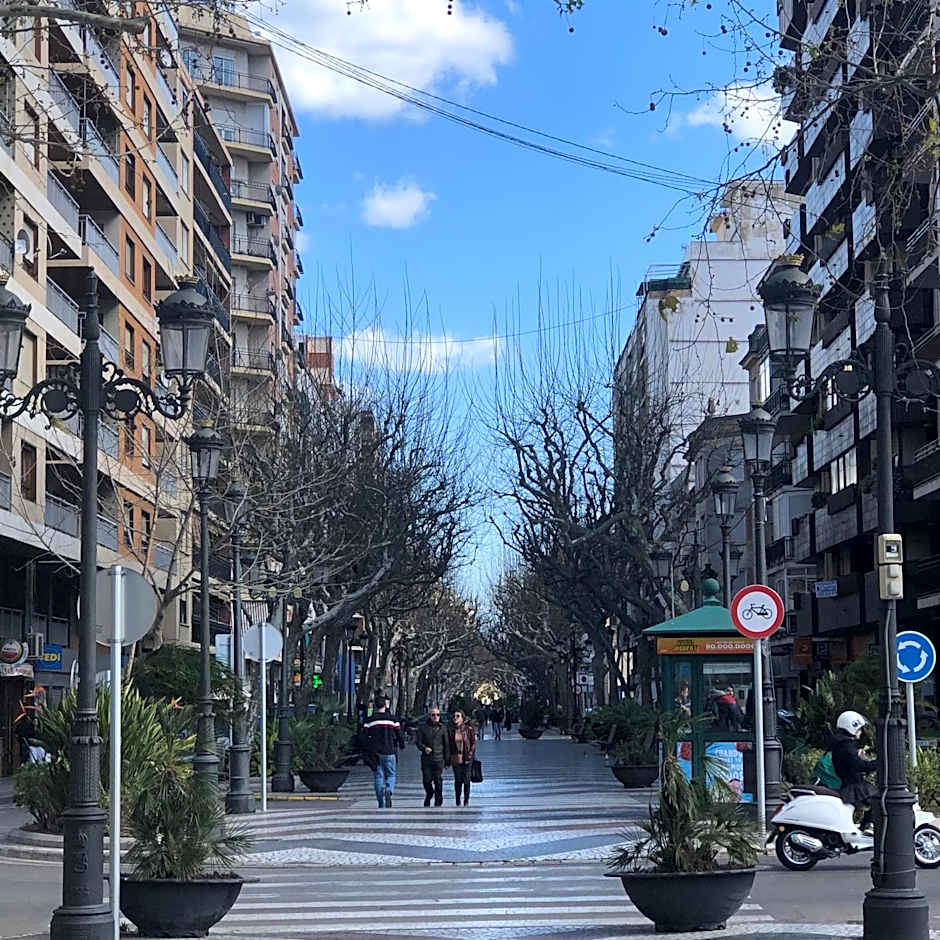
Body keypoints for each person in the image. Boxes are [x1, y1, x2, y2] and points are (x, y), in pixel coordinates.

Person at [831, 709, 877, 832]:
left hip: (851, 783)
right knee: (878, 798)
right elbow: (858, 766)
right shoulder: (846, 746)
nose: (861, 732)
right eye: (859, 729)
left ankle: (867, 825)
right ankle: (869, 826)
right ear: (852, 727)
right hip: (853, 786)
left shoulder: (843, 745)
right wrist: (877, 764)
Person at [362, 695, 405, 809]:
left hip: (375, 752)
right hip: (389, 750)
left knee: (378, 776)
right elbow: (399, 734)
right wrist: (401, 744)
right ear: (385, 706)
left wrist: (366, 751)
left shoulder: (369, 721)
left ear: (375, 706)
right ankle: (389, 789)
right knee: (391, 774)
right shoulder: (393, 719)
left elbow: (364, 737)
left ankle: (381, 802)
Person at [415, 705, 450, 807]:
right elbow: (418, 742)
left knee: (438, 780)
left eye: (437, 715)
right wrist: (424, 748)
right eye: (433, 715)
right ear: (429, 716)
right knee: (427, 780)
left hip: (439, 759)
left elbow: (446, 744)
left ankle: (439, 798)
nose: (435, 716)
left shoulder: (443, 728)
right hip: (427, 759)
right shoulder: (423, 727)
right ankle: (430, 793)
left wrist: (447, 760)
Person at [448, 709, 477, 807]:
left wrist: (470, 754)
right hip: (456, 758)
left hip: (467, 758)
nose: (455, 718)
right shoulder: (451, 730)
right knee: (458, 780)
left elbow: (473, 743)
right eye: (454, 716)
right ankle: (457, 800)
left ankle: (466, 800)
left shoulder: (469, 729)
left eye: (458, 716)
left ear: (462, 718)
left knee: (467, 780)